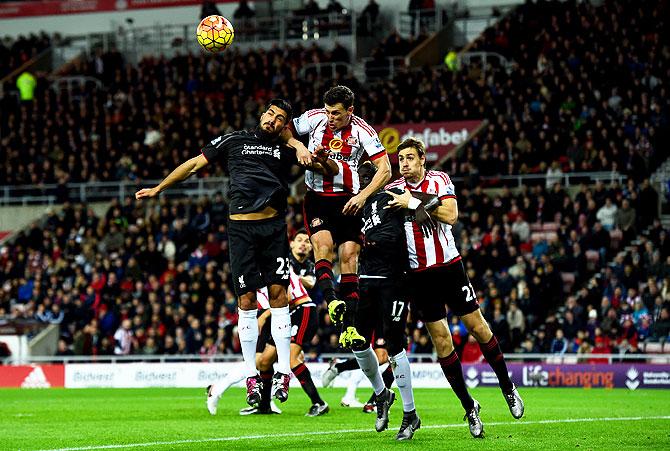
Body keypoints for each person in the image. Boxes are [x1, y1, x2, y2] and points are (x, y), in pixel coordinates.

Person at [136, 99, 312, 408]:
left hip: (272, 227)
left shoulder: (286, 147)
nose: (271, 120)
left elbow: (323, 164)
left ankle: (284, 370)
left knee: (279, 295)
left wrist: (298, 145)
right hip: (241, 230)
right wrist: (159, 188)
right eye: (270, 113)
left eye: (279, 118)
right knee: (245, 301)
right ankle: (251, 377)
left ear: (285, 125)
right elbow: (193, 165)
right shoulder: (234, 139)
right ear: (263, 114)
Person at [385, 137, 524, 438]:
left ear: (422, 159)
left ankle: (507, 386)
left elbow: (451, 215)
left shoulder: (439, 180)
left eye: (410, 158)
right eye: (401, 160)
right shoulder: (391, 191)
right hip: (420, 275)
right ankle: (469, 406)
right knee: (442, 343)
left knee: (479, 328)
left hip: (449, 268)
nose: (405, 164)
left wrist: (412, 203)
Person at [287, 85, 391, 348]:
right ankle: (332, 300)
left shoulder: (363, 131)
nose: (330, 117)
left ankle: (349, 328)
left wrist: (364, 195)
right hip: (318, 198)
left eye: (336, 113)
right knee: (323, 248)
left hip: (349, 199)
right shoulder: (314, 118)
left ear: (350, 111)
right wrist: (299, 145)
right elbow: (286, 129)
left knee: (349, 258)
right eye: (328, 112)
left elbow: (386, 169)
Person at [347, 161, 430, 440]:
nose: (364, 180)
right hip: (367, 279)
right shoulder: (358, 206)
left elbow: (421, 211)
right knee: (357, 340)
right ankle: (382, 394)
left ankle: (410, 414)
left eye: (369, 175)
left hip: (394, 278)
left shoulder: (391, 195)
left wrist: (416, 205)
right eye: (361, 176)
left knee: (394, 344)